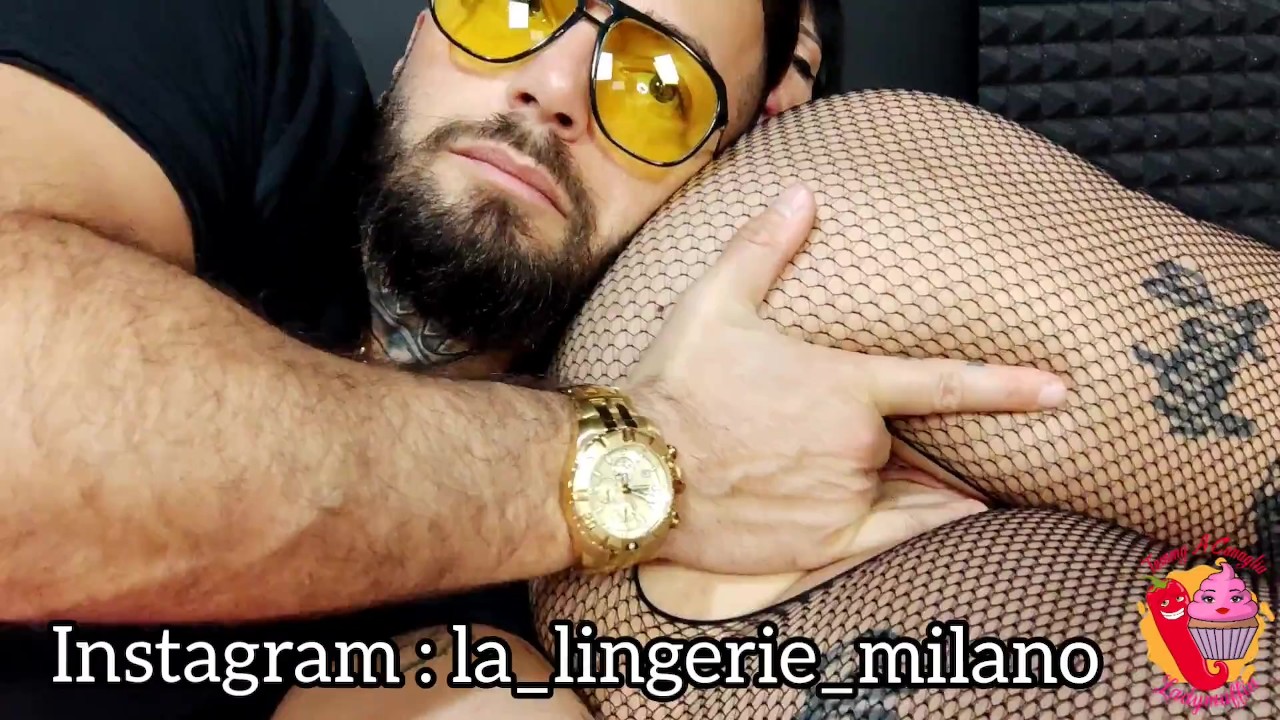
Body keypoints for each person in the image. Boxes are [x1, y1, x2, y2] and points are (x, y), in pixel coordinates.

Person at [0, 0, 1064, 718]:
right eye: (510, 5)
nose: (552, 86)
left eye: (659, 86)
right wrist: (647, 464)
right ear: (422, 29)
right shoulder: (215, 41)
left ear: (723, 170)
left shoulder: (524, 640)